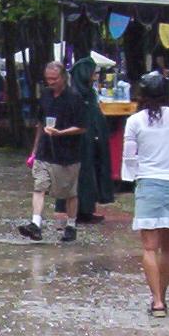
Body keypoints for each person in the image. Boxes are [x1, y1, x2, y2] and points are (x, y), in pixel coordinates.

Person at [121, 71, 169, 317]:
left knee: (149, 248)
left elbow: (129, 157)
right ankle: (162, 295)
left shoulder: (135, 121)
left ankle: (156, 301)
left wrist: (132, 178)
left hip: (148, 183)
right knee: (168, 248)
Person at [19, 61, 85, 243]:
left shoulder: (75, 98)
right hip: (45, 150)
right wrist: (34, 150)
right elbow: (40, 123)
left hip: (68, 153)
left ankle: (71, 225)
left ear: (63, 77)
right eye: (48, 79)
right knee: (39, 186)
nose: (51, 82)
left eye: (54, 79)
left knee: (70, 192)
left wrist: (61, 133)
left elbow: (82, 127)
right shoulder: (46, 95)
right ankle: (35, 224)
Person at [52, 57, 114, 224]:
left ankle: (87, 209)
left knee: (89, 174)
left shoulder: (88, 93)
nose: (95, 76)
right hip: (77, 142)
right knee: (80, 176)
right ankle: (78, 212)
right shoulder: (73, 94)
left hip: (89, 140)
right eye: (93, 73)